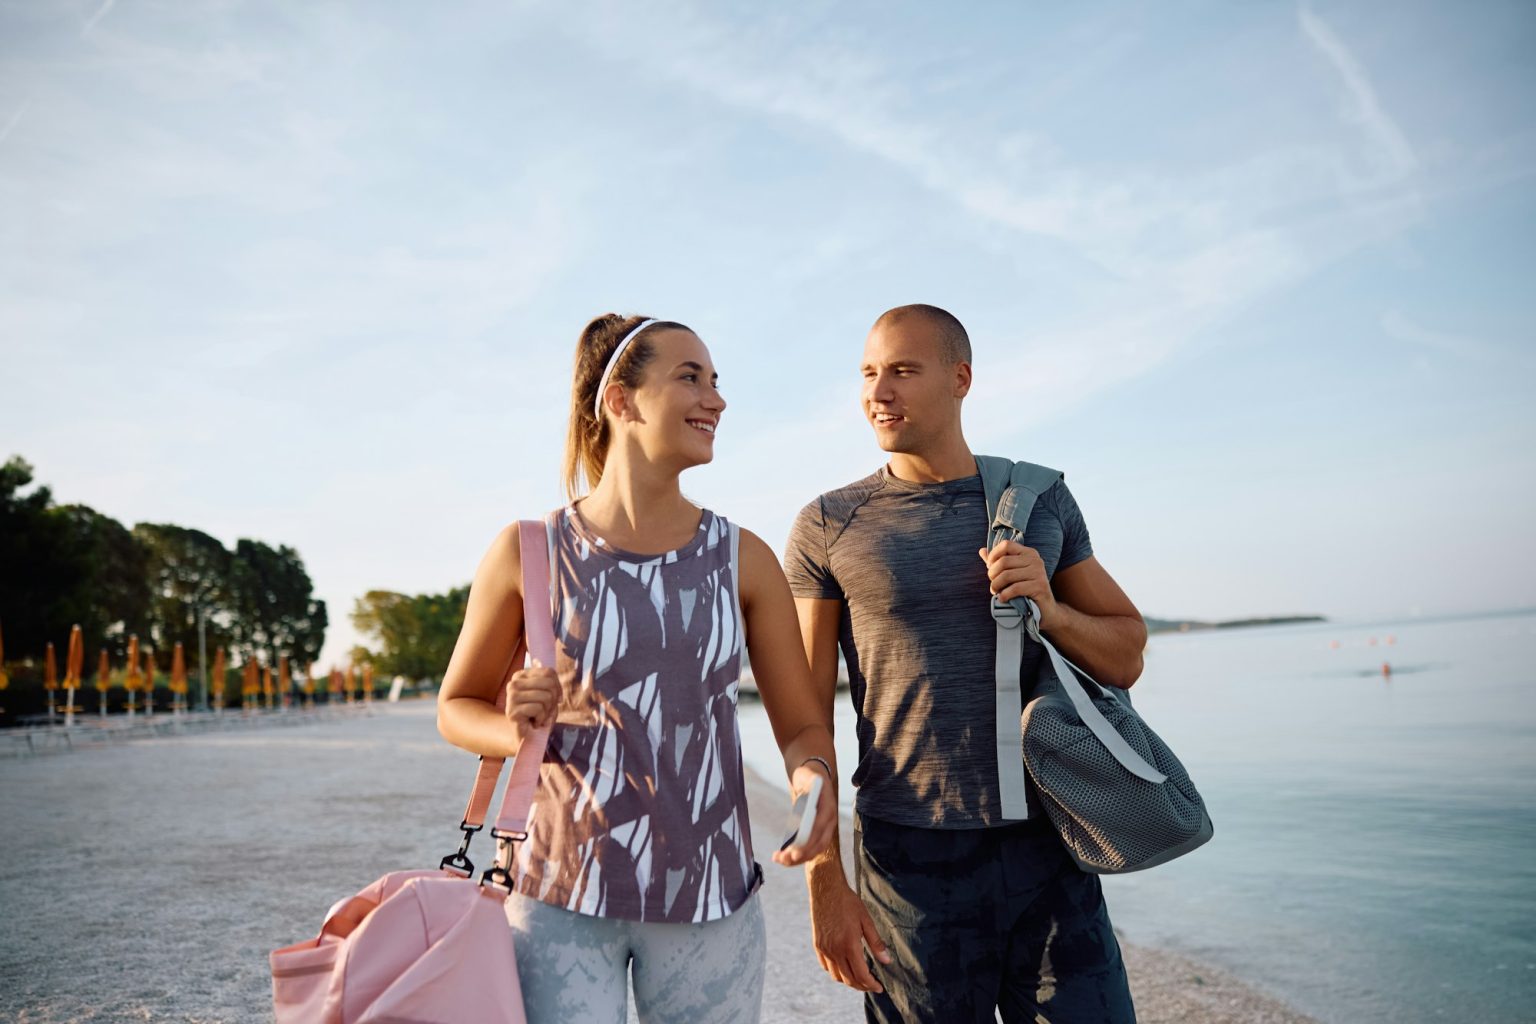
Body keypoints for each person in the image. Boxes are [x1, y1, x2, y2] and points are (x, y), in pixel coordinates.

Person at [438, 314, 838, 1024]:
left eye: (717, 382)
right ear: (620, 400)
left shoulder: (743, 559)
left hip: (712, 903)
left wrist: (812, 779)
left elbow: (803, 722)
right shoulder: (528, 551)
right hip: (558, 898)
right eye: (690, 377)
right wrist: (514, 727)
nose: (715, 399)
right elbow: (456, 706)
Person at [783, 304, 1147, 1023]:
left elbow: (1127, 650)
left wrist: (1053, 606)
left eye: (902, 371)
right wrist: (825, 877)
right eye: (868, 373)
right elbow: (805, 714)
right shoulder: (828, 524)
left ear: (960, 378)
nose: (878, 392)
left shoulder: (1040, 500)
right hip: (907, 862)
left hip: (1051, 846)